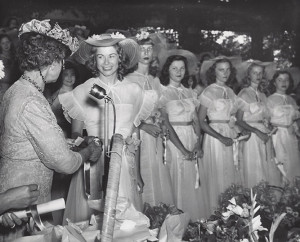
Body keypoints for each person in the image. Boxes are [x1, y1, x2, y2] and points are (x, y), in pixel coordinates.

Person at [0, 19, 101, 240]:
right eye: (62, 61)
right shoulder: (31, 100)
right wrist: (86, 153)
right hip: (23, 205)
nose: (63, 67)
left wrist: (65, 143)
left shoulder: (18, 90)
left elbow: (26, 142)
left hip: (25, 195)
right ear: (51, 61)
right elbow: (64, 164)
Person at [59, 32, 146, 223]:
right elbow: (75, 132)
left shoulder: (134, 90)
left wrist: (137, 171)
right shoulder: (83, 90)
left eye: (111, 56)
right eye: (100, 57)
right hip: (93, 162)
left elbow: (135, 133)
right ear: (93, 60)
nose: (106, 62)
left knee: (124, 221)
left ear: (120, 58)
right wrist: (87, 145)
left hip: (122, 163)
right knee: (89, 221)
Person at [126, 31, 175, 207]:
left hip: (156, 136)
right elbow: (126, 115)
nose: (146, 53)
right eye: (141, 49)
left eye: (149, 49)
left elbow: (160, 110)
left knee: (158, 175)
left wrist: (161, 123)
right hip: (138, 135)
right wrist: (144, 125)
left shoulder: (154, 80)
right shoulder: (128, 80)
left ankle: (158, 215)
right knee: (143, 175)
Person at [159, 54, 207, 221]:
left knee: (192, 181)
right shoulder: (162, 93)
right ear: (168, 70)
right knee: (177, 179)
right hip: (174, 142)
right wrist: (183, 149)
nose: (178, 72)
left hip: (191, 138)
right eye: (174, 68)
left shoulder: (190, 92)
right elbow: (166, 124)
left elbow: (196, 121)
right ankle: (176, 223)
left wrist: (198, 145)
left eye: (182, 68)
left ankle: (194, 223)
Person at [198, 57, 247, 215]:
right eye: (221, 69)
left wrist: (240, 130)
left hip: (229, 134)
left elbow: (232, 117)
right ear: (214, 72)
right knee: (217, 173)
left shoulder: (231, 91)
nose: (225, 73)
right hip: (214, 137)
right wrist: (220, 137)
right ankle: (216, 213)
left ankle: (231, 213)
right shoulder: (209, 91)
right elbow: (200, 121)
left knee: (230, 172)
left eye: (227, 69)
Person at [235, 62, 278, 188]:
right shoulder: (244, 93)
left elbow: (264, 117)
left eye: (260, 73)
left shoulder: (263, 95)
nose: (258, 75)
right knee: (254, 167)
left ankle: (265, 199)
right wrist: (257, 132)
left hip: (264, 134)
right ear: (249, 75)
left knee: (266, 165)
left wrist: (269, 127)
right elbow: (239, 120)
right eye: (255, 73)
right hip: (252, 135)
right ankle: (254, 199)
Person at [267, 70, 300, 185]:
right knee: (280, 164)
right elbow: (266, 120)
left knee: (293, 164)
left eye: (286, 79)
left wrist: (296, 130)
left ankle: (292, 195)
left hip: (291, 136)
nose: (283, 82)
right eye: (280, 80)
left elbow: (294, 120)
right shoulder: (270, 99)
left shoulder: (291, 100)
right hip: (277, 135)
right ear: (274, 83)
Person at [0, 34, 20, 105]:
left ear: (11, 42)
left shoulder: (16, 56)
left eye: (7, 42)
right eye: (3, 43)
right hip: (4, 89)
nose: (6, 45)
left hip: (17, 87)